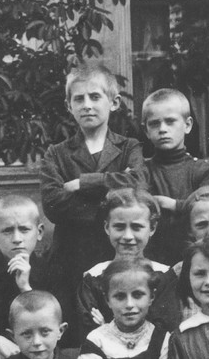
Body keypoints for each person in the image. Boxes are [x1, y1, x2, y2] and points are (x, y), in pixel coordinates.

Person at [39, 62, 143, 330]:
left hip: (116, 253)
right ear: (68, 105)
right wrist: (110, 200)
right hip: (70, 258)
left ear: (114, 102)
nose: (87, 104)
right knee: (75, 331)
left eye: (95, 97)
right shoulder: (57, 154)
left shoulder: (129, 147)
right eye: (79, 98)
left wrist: (83, 183)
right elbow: (53, 204)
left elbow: (139, 186)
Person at [77, 188, 180, 335]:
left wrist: (107, 328)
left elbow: (164, 328)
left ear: (152, 228)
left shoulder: (164, 277)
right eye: (119, 227)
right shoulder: (94, 277)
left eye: (137, 227)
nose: (127, 236)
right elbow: (89, 330)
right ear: (107, 227)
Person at [137, 87, 209, 264]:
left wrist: (171, 204)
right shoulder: (142, 170)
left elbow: (205, 209)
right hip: (151, 256)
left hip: (193, 257)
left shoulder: (201, 170)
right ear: (146, 130)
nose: (162, 129)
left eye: (170, 121)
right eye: (154, 123)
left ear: (187, 125)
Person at [0, 194, 44, 358]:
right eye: (7, 231)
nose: (17, 239)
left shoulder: (53, 271)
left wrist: (25, 288)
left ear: (39, 232)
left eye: (24, 229)